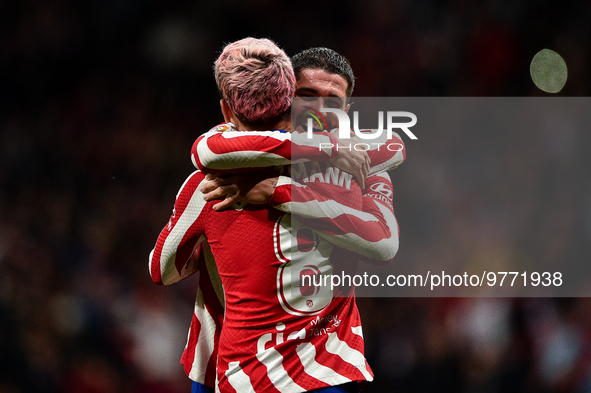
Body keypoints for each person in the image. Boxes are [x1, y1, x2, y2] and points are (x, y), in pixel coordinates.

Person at [150, 40, 401, 392]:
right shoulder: (217, 175)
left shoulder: (363, 166)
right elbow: (206, 150)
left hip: (306, 370)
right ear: (283, 96)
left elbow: (385, 242)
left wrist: (276, 190)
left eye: (333, 101)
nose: (319, 109)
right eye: (307, 94)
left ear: (348, 109)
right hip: (243, 366)